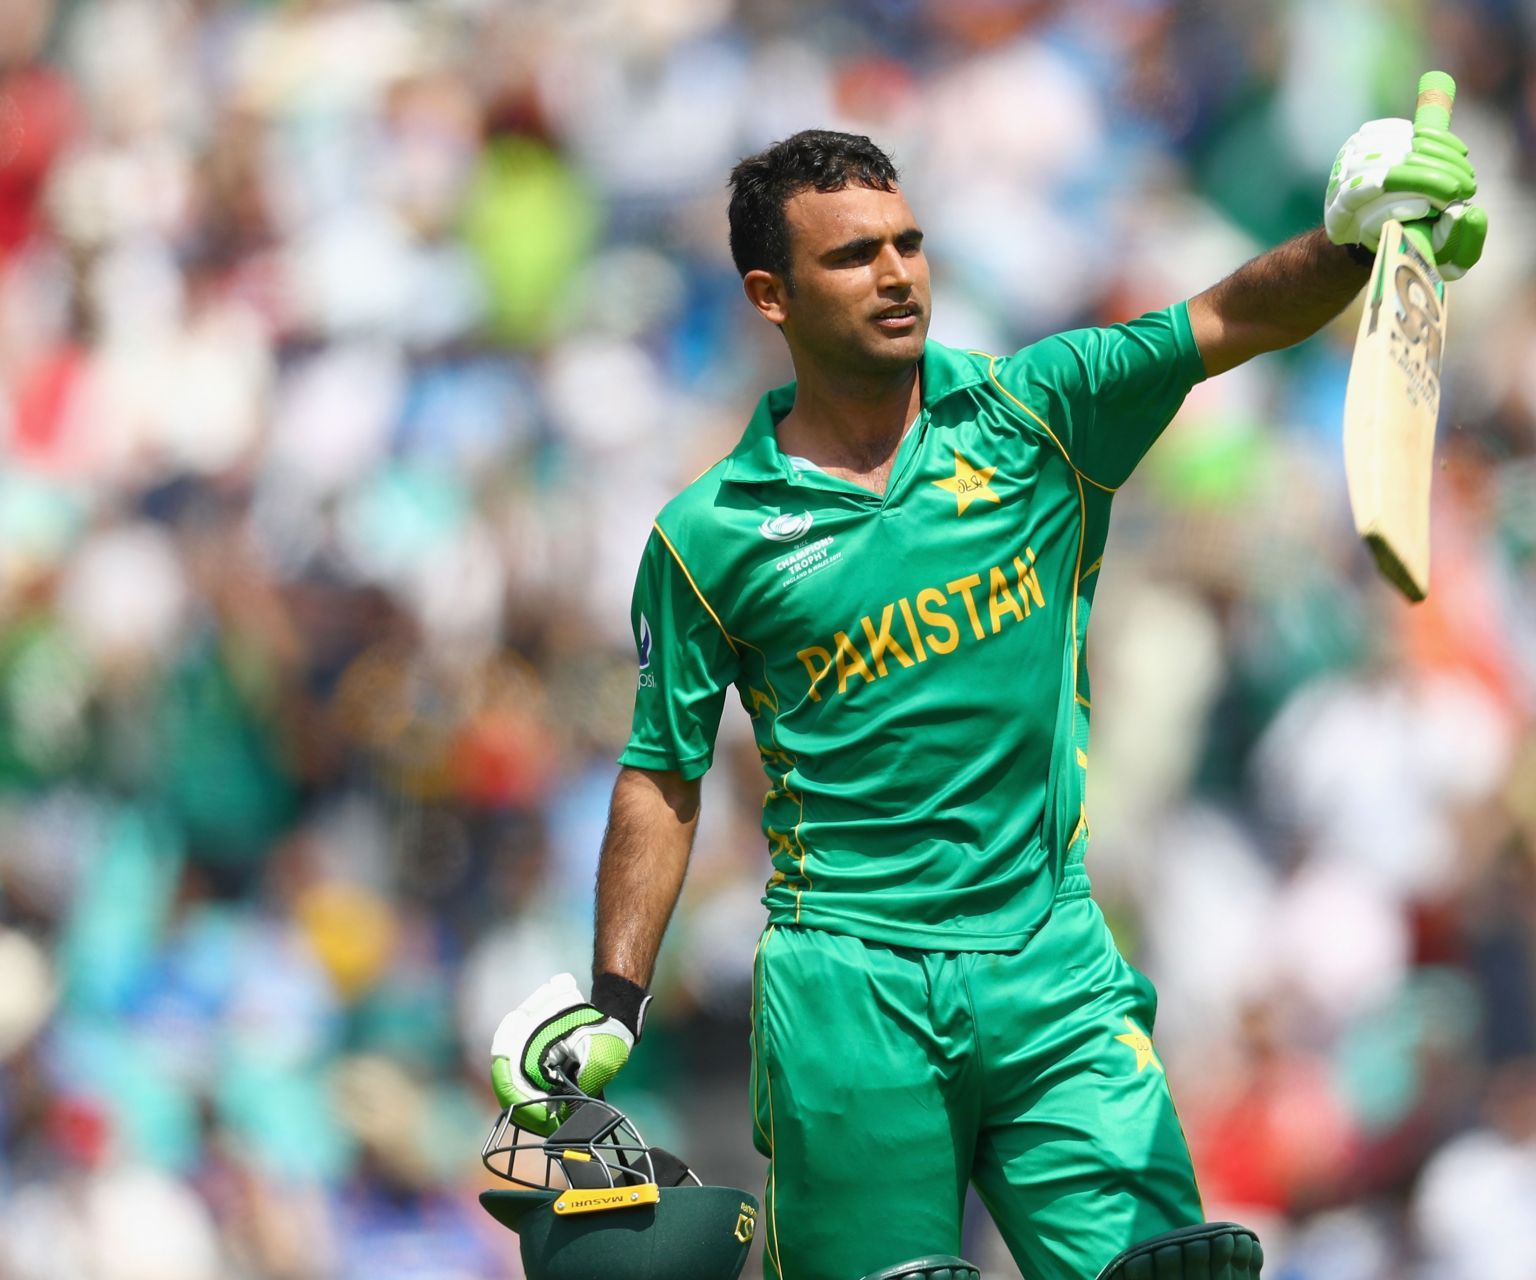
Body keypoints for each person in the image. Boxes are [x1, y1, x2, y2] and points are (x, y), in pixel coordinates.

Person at [490, 120, 1485, 1279]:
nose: (898, 272)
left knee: (1175, 1269)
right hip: (849, 985)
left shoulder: (1040, 413)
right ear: (770, 294)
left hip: (1050, 958)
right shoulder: (708, 536)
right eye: (853, 255)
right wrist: (616, 997)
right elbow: (664, 772)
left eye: (907, 242)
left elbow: (1231, 317)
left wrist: (1359, 244)